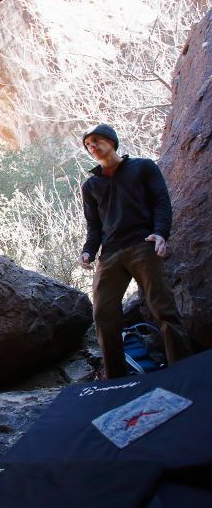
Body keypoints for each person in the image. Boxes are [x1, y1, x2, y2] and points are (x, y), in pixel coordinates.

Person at [77, 123, 193, 379]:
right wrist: (88, 251)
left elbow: (161, 202)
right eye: (87, 145)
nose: (92, 147)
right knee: (103, 313)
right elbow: (94, 225)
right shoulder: (91, 186)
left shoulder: (143, 167)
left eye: (96, 141)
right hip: (110, 255)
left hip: (143, 245)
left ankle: (183, 373)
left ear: (111, 141)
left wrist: (161, 233)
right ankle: (115, 379)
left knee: (162, 308)